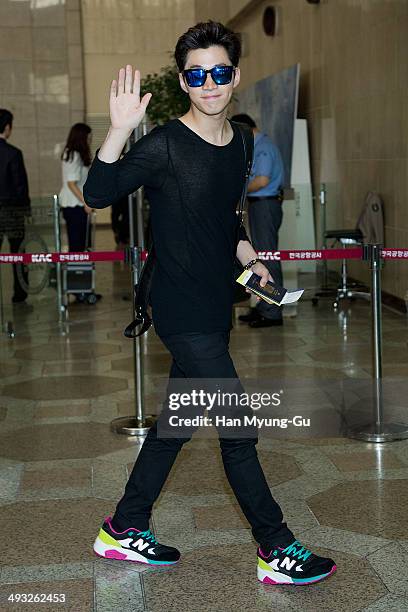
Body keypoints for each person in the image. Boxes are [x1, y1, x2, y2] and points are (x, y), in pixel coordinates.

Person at [84, 21, 336, 586]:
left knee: (174, 424)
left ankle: (124, 528)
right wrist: (120, 131)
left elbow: (228, 218)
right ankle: (276, 548)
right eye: (197, 75)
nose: (209, 84)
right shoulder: (166, 144)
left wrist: (250, 257)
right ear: (183, 81)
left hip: (214, 303)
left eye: (219, 72)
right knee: (238, 431)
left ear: (235, 75)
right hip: (178, 309)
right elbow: (98, 193)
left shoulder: (242, 143)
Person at [231, 113, 285, 328]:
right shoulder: (259, 145)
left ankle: (272, 312)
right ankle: (263, 306)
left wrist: (236, 191)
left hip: (265, 205)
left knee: (267, 257)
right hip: (260, 205)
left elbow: (262, 180)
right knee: (260, 255)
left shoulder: (263, 147)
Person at [60, 123, 101, 303]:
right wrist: (86, 202)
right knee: (78, 248)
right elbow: (71, 183)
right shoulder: (72, 154)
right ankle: (77, 290)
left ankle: (82, 288)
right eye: (88, 137)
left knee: (83, 247)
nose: (90, 141)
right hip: (74, 206)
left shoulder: (75, 154)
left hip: (78, 205)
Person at [0, 109, 31, 303]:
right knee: (18, 253)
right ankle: (20, 293)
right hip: (12, 212)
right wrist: (26, 210)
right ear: (7, 127)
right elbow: (20, 186)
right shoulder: (13, 153)